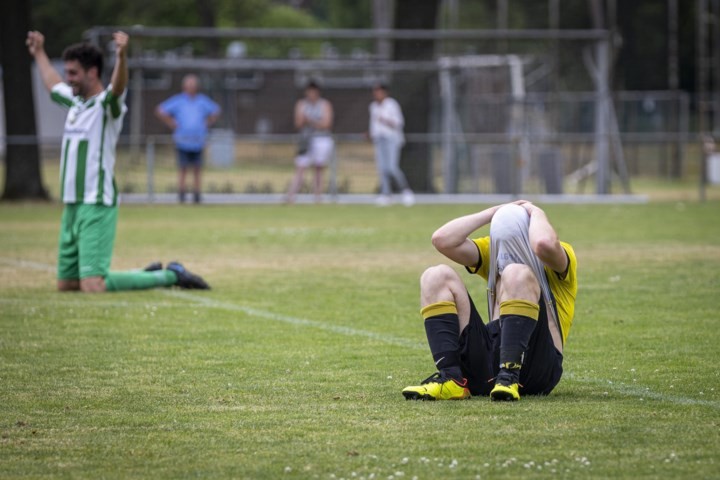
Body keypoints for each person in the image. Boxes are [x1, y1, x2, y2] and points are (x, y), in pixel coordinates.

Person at [26, 30, 209, 292]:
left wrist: (122, 57)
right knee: (67, 285)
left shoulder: (106, 106)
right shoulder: (76, 104)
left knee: (93, 285)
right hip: (72, 203)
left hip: (96, 201)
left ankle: (171, 276)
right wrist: (39, 52)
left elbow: (118, 87)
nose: (69, 78)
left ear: (92, 73)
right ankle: (145, 274)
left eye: (74, 73)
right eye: (67, 72)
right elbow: (53, 83)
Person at [402, 201, 577, 401]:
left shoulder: (558, 256)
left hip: (538, 371)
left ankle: (509, 376)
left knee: (515, 273)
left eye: (512, 245)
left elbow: (543, 244)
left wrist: (536, 211)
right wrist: (494, 212)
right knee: (435, 275)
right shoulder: (495, 250)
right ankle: (452, 379)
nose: (505, 256)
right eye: (502, 247)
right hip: (488, 370)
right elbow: (442, 240)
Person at [155, 74, 221, 204]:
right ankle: (181, 194)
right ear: (184, 86)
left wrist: (207, 122)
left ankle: (197, 195)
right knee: (183, 168)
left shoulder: (202, 101)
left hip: (198, 141)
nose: (191, 87)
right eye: (189, 85)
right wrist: (171, 122)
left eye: (194, 85)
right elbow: (161, 110)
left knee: (197, 169)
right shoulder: (178, 100)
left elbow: (216, 110)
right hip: (182, 141)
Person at [286, 81, 334, 204]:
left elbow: (327, 124)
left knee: (318, 168)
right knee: (301, 167)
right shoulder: (301, 104)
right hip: (305, 140)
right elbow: (298, 123)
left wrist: (311, 121)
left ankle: (318, 196)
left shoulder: (324, 105)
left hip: (321, 139)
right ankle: (291, 196)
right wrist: (306, 121)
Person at [368, 84, 414, 207]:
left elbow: (399, 123)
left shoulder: (391, 104)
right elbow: (373, 124)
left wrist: (385, 120)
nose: (377, 95)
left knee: (392, 167)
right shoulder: (373, 106)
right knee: (382, 168)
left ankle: (406, 191)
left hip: (391, 139)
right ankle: (386, 194)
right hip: (379, 139)